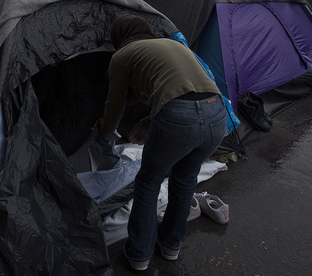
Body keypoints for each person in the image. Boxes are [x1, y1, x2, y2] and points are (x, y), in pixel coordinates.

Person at [94, 15, 227, 272]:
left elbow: (115, 105)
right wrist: (148, 122)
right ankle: (171, 246)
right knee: (185, 178)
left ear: (120, 37)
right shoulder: (174, 44)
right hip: (217, 113)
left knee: (148, 181)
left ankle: (139, 255)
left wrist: (103, 133)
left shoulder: (122, 56)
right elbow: (186, 90)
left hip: (178, 115)